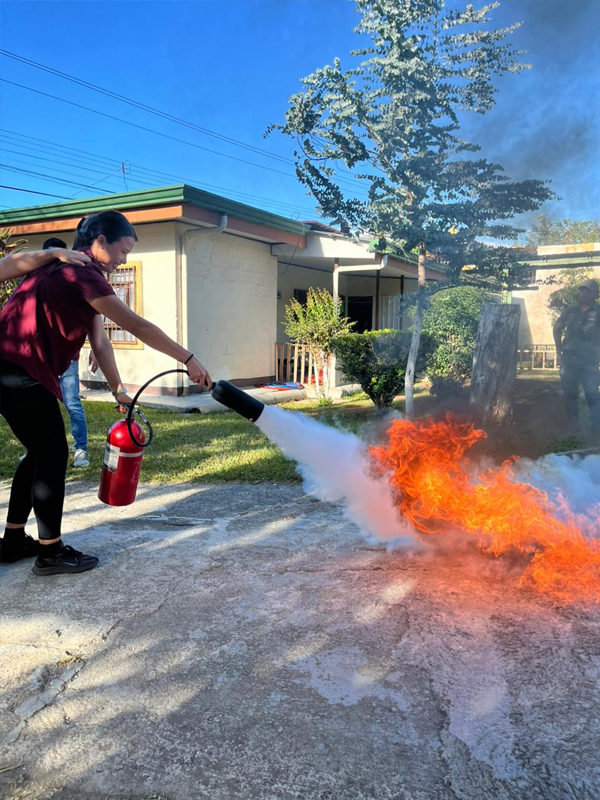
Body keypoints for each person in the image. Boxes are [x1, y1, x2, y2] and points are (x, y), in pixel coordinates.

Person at [0, 210, 210, 574]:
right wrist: (188, 359)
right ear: (100, 242)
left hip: (12, 369)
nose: (123, 260)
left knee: (38, 453)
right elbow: (137, 325)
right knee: (52, 455)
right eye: (123, 251)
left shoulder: (74, 275)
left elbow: (100, 341)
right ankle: (50, 554)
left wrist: (119, 391)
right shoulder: (78, 272)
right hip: (15, 369)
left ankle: (13, 541)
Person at [43, 238, 90, 468]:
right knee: (42, 405)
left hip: (68, 359)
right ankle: (37, 450)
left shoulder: (72, 281)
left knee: (72, 404)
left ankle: (81, 449)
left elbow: (89, 313)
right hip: (43, 361)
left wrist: (97, 348)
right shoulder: (39, 281)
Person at [553, 278, 600, 439]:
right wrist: (558, 347)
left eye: (588, 290)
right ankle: (574, 429)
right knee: (570, 395)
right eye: (582, 290)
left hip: (589, 361)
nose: (583, 293)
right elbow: (557, 327)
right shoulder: (570, 311)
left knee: (592, 395)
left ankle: (596, 431)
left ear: (596, 294)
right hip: (569, 361)